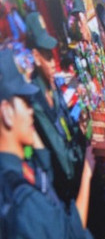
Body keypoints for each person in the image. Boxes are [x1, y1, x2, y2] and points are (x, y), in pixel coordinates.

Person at [0, 49, 93, 239]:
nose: (30, 110)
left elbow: (45, 173)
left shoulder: (14, 167)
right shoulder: (26, 202)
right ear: (7, 112)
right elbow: (71, 233)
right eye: (25, 102)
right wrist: (88, 173)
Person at [24, 12, 87, 206]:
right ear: (35, 56)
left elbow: (68, 121)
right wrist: (84, 160)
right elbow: (61, 156)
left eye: (53, 55)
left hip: (76, 167)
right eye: (47, 56)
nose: (53, 62)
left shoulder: (52, 84)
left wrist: (81, 128)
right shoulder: (35, 99)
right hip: (64, 187)